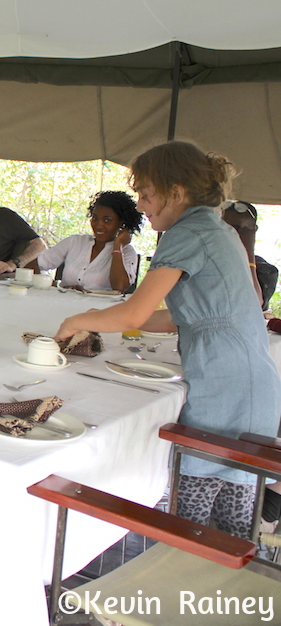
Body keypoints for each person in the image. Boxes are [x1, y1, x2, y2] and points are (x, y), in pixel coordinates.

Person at [54, 141, 281, 537]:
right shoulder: (216, 228)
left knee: (189, 530)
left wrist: (79, 319)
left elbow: (135, 310)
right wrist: (122, 326)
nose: (140, 204)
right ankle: (241, 594)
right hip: (254, 390)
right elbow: (180, 316)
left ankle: (185, 591)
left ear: (176, 192)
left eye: (145, 193)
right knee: (237, 532)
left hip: (222, 395)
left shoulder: (185, 233)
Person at [36, 190, 143, 293]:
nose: (98, 225)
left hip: (100, 310)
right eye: (95, 218)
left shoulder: (127, 252)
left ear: (121, 223)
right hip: (63, 304)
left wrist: (117, 246)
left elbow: (120, 287)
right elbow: (35, 264)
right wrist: (49, 282)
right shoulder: (75, 242)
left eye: (107, 220)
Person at [220, 200, 278, 311]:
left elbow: (254, 303)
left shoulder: (264, 270)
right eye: (225, 228)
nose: (230, 234)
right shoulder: (207, 262)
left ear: (252, 230)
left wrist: (248, 252)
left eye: (236, 229)